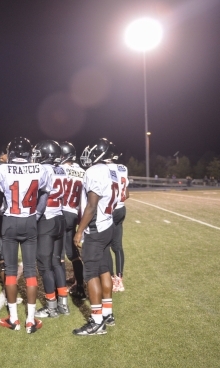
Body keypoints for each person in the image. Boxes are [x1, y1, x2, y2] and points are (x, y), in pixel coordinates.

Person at [0, 137, 51, 333]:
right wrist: (38, 214)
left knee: (10, 271)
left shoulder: (1, 170)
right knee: (30, 270)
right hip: (30, 219)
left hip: (10, 220)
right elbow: (44, 193)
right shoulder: (41, 169)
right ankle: (31, 320)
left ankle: (14, 319)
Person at [72, 138, 118, 336]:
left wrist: (80, 230)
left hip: (96, 227)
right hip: (108, 224)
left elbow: (91, 205)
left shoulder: (94, 171)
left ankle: (97, 322)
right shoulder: (113, 170)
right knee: (103, 268)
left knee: (90, 273)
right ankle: (107, 313)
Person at [32, 140, 69, 318]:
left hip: (46, 219)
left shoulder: (43, 170)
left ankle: (51, 307)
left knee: (45, 266)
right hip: (59, 217)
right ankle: (63, 303)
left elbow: (39, 195)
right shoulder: (61, 169)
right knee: (57, 262)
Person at [58, 141, 86, 300]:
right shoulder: (83, 172)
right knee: (72, 252)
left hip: (62, 212)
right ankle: (80, 286)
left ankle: (60, 290)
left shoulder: (60, 169)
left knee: (59, 254)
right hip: (75, 214)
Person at [107, 143, 129, 292]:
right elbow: (126, 194)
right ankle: (119, 279)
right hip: (121, 208)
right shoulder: (123, 168)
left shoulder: (102, 169)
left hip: (108, 209)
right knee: (118, 246)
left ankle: (109, 278)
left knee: (105, 245)